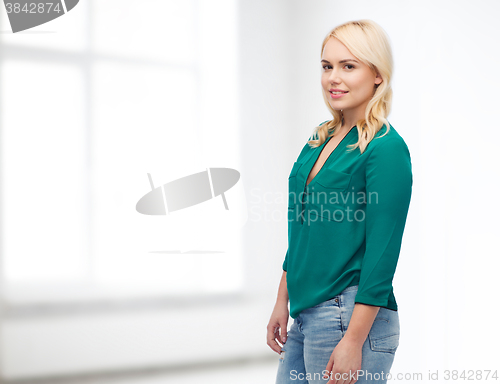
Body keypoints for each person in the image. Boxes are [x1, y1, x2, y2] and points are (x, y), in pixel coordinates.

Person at [266, 19, 413, 384]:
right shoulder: (321, 138)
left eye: (349, 66)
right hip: (307, 311)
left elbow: (383, 254)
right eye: (327, 66)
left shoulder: (385, 148)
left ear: (377, 74)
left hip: (347, 315)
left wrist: (354, 339)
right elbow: (303, 230)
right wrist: (282, 299)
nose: (334, 77)